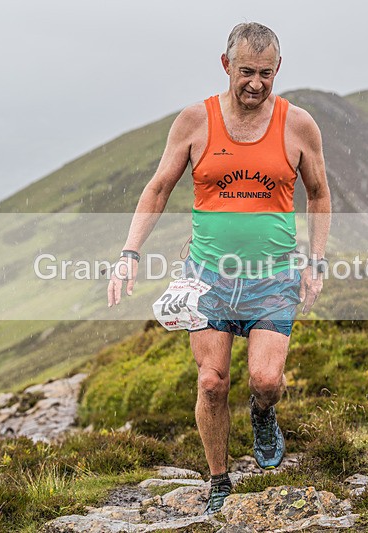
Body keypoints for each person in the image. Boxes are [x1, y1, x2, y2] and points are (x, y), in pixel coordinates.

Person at [107, 22, 331, 514]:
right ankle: (219, 481)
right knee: (211, 382)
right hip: (207, 275)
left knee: (266, 380)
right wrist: (129, 254)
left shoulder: (298, 125)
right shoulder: (195, 121)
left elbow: (318, 193)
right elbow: (159, 187)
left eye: (266, 73)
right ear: (226, 65)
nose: (256, 82)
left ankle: (264, 412)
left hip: (273, 276)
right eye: (246, 71)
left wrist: (315, 262)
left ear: (278, 70)